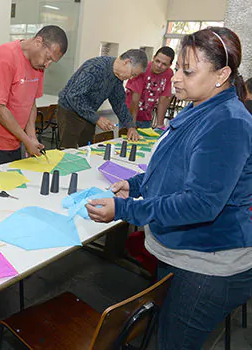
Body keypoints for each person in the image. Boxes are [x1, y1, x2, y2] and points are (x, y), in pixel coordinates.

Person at [85, 27, 252, 349]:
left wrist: (125, 209)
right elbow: (172, 169)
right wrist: (135, 184)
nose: (176, 78)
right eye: (178, 68)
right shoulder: (199, 108)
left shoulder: (227, 123)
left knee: (175, 342)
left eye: (187, 71)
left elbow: (200, 204)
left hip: (207, 266)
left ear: (222, 75)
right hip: (182, 251)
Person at [0, 25, 67, 168]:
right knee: (0, 185)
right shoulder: (5, 56)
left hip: (15, 137)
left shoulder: (38, 64)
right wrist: (26, 140)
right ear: (38, 42)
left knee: (14, 180)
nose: (47, 64)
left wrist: (31, 136)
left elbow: (30, 101)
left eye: (52, 62)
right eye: (48, 58)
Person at [57, 49, 147, 148]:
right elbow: (74, 96)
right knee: (69, 150)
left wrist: (130, 126)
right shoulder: (95, 67)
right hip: (70, 111)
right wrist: (97, 118)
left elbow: (119, 103)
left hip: (89, 113)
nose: (131, 78)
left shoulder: (117, 78)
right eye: (132, 74)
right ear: (127, 62)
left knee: (87, 147)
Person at [125, 46, 175, 129]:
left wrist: (160, 124)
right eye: (157, 61)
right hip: (129, 115)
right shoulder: (142, 69)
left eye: (164, 64)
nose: (159, 65)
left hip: (146, 118)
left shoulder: (169, 74)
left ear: (170, 65)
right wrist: (132, 125)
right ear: (154, 58)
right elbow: (134, 100)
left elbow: (164, 99)